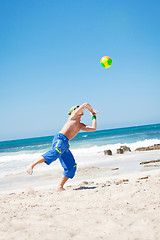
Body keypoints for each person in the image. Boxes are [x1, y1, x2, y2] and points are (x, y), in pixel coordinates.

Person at [26, 103, 98, 191]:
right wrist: (91, 110)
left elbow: (93, 128)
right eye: (77, 107)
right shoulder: (73, 117)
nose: (79, 108)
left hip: (66, 143)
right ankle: (31, 165)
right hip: (60, 138)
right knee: (55, 152)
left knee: (72, 167)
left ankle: (60, 187)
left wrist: (93, 116)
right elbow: (85, 104)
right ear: (73, 112)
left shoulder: (80, 125)